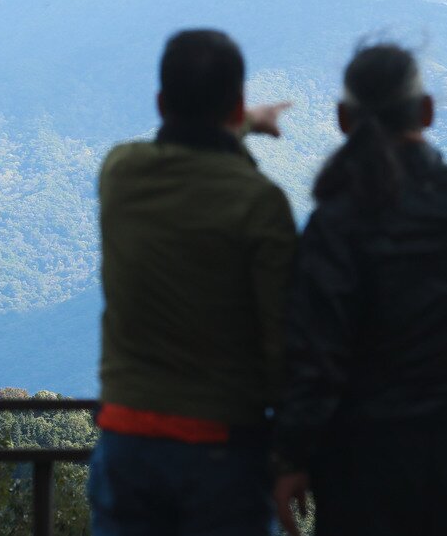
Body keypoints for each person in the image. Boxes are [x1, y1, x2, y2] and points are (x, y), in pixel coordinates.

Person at [272, 44, 447, 536]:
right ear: (426, 111)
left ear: (344, 119)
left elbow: (316, 352)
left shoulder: (336, 221)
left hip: (356, 466)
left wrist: (292, 455)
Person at [87, 29, 296, 535]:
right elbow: (283, 343)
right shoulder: (259, 202)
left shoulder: (119, 173)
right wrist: (294, 455)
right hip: (222, 450)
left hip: (126, 438)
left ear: (160, 102)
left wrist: (240, 122)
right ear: (236, 102)